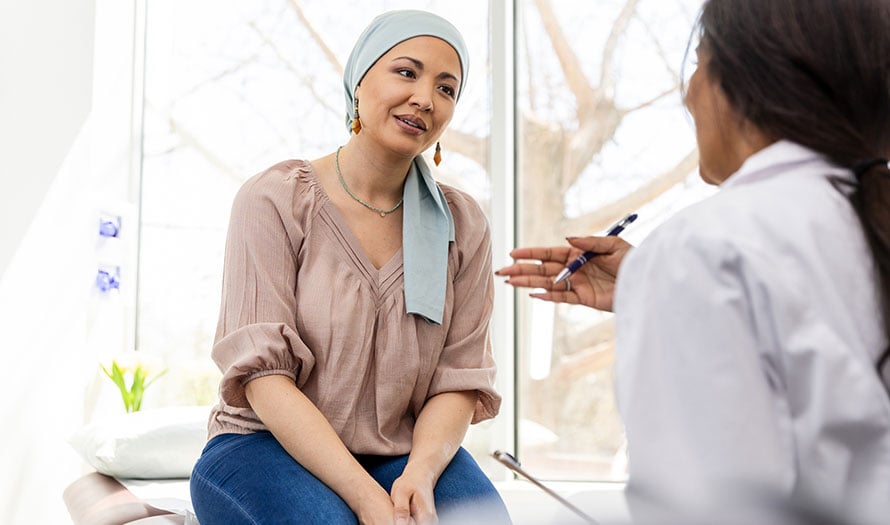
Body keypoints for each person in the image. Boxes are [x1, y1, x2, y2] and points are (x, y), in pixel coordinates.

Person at [496, 0, 890, 523]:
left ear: (744, 80)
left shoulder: (703, 247)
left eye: (698, 65)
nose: (687, 95)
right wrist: (649, 285)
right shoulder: (856, 219)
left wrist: (671, 281)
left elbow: (702, 512)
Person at [190, 10, 511, 525]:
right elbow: (263, 377)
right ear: (359, 81)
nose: (425, 99)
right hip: (262, 446)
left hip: (400, 452)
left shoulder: (464, 224)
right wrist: (366, 499)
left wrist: (420, 474)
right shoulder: (276, 199)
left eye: (446, 88)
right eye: (406, 72)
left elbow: (458, 377)